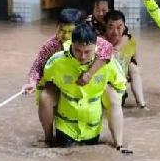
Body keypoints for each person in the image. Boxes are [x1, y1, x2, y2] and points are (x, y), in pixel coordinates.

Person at [38, 22, 132, 152]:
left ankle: (119, 145)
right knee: (44, 96)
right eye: (78, 50)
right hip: (65, 129)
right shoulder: (57, 61)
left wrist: (106, 102)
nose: (82, 56)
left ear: (96, 47)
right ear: (72, 44)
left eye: (87, 52)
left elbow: (121, 84)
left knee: (114, 98)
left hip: (92, 129)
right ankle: (48, 139)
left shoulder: (108, 62)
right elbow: (42, 80)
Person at [23, 7, 114, 94]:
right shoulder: (51, 45)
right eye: (61, 30)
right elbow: (37, 66)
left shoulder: (88, 41)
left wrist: (89, 74)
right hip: (62, 83)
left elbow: (108, 48)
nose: (65, 36)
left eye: (70, 32)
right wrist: (32, 83)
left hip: (87, 85)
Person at [104, 9, 147, 109]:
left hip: (120, 84)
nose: (115, 32)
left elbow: (135, 61)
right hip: (105, 86)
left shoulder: (130, 41)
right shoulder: (99, 43)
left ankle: (142, 104)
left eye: (119, 27)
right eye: (111, 27)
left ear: (124, 28)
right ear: (105, 27)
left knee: (134, 69)